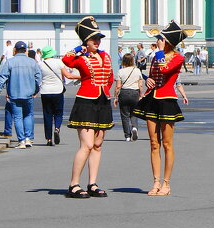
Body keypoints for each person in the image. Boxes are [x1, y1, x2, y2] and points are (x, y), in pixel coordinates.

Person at [62, 17, 116, 199]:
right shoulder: (80, 58)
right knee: (86, 145)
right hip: (86, 102)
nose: (97, 42)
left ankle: (92, 183)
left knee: (98, 145)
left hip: (102, 102)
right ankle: (73, 184)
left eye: (99, 39)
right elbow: (66, 60)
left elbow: (110, 78)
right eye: (94, 39)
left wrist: (106, 93)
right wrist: (78, 49)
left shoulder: (105, 56)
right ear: (86, 41)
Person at [134, 21, 188, 196]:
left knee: (167, 143)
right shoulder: (157, 56)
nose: (158, 41)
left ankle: (166, 183)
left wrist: (158, 52)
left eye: (161, 39)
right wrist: (148, 80)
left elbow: (165, 70)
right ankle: (155, 182)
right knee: (153, 143)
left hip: (167, 101)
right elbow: (154, 75)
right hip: (152, 99)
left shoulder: (178, 57)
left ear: (169, 41)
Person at [0, 41, 42, 148]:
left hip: (14, 94)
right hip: (28, 94)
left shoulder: (10, 62)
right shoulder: (32, 62)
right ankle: (29, 139)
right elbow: (38, 77)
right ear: (26, 50)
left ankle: (21, 140)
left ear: (15, 50)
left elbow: (2, 78)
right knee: (28, 115)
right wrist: (35, 90)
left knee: (17, 117)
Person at [38, 47, 68, 146]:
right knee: (58, 113)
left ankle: (49, 139)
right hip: (57, 90)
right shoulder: (58, 62)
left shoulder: (40, 64)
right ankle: (57, 128)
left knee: (47, 115)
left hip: (45, 91)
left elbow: (39, 78)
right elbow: (67, 75)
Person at [116, 53, 143, 142]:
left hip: (124, 93)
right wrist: (140, 95)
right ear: (132, 60)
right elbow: (140, 85)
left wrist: (116, 97)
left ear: (123, 61)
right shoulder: (137, 70)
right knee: (134, 113)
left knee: (124, 115)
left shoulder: (120, 71)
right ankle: (134, 127)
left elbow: (118, 86)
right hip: (134, 93)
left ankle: (127, 136)